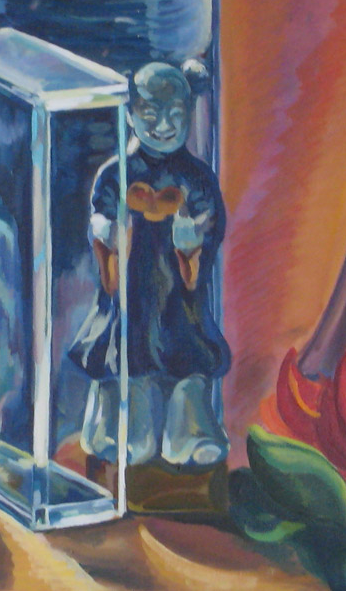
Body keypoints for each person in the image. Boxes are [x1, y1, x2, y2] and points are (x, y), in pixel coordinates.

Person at [67, 61, 230, 469]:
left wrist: (193, 234)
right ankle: (119, 434)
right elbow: (100, 217)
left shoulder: (197, 177)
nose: (164, 126)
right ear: (130, 113)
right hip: (131, 288)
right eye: (151, 114)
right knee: (123, 355)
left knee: (188, 357)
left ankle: (191, 435)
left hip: (177, 289)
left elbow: (212, 222)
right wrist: (108, 232)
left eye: (175, 115)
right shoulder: (115, 174)